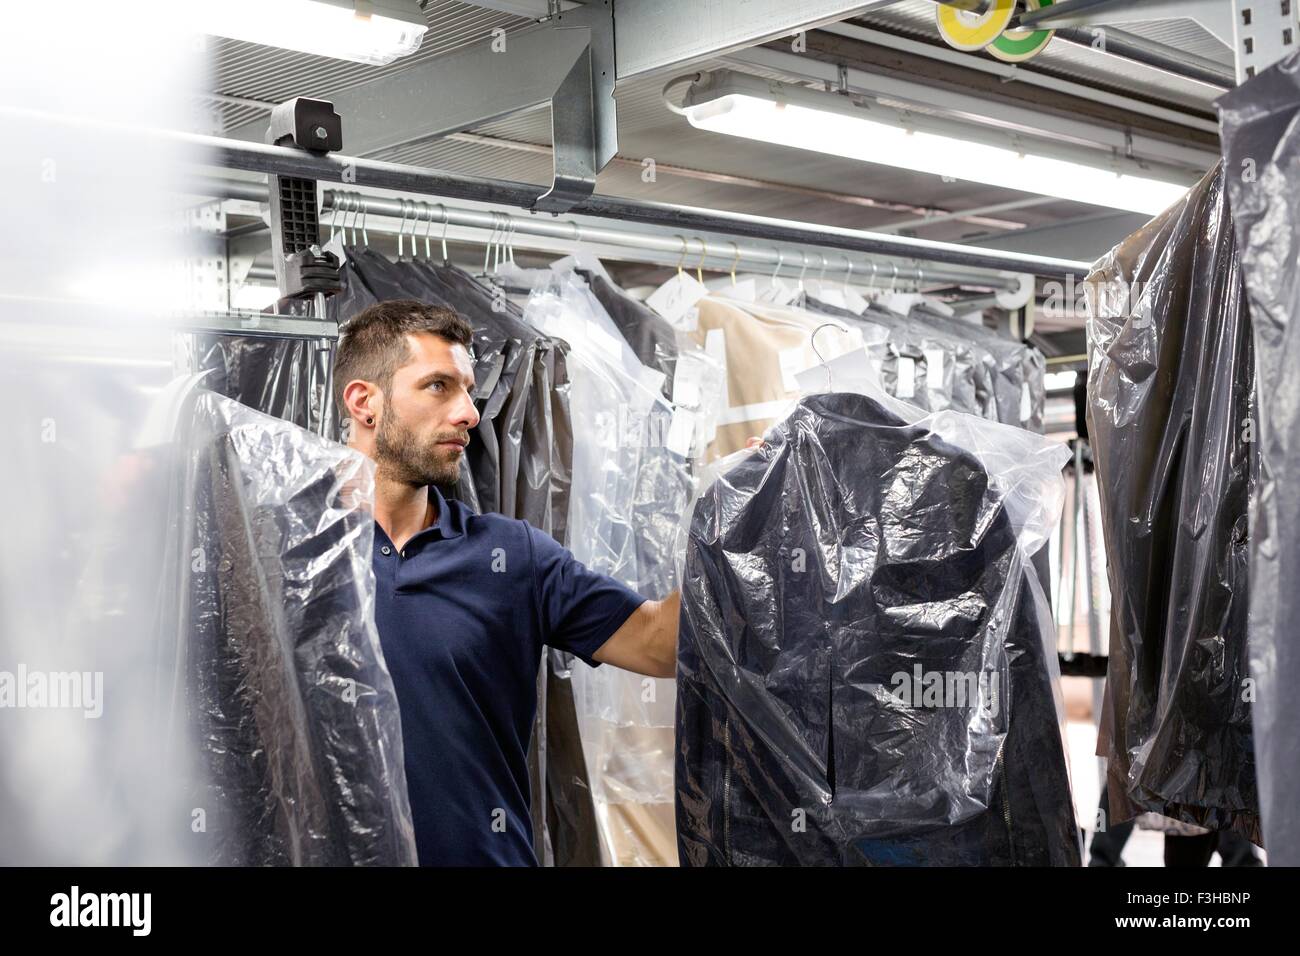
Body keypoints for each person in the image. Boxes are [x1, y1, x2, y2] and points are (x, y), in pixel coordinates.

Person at [334, 299, 681, 866]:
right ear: (365, 401)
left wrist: (736, 513)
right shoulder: (293, 543)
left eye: (468, 390)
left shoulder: (510, 555)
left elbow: (659, 643)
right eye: (439, 387)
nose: (470, 413)